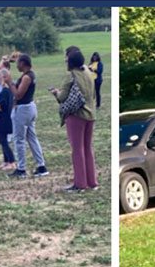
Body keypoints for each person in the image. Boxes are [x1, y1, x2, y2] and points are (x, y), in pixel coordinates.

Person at [52, 49, 97, 191]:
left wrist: (55, 93)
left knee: (77, 150)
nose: (65, 61)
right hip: (91, 115)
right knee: (88, 149)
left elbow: (62, 98)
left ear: (71, 62)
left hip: (76, 115)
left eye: (67, 59)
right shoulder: (89, 73)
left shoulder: (71, 75)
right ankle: (92, 182)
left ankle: (80, 184)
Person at [10, 54, 47, 178]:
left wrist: (9, 83)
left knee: (19, 139)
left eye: (18, 63)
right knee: (32, 137)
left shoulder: (26, 77)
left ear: (23, 63)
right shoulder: (30, 74)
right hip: (30, 107)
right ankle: (41, 166)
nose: (16, 65)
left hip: (23, 109)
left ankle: (21, 169)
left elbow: (18, 95)